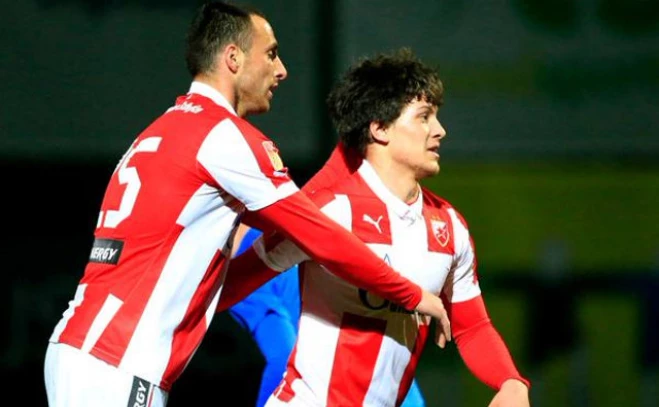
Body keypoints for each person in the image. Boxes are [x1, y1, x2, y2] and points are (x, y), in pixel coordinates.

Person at [42, 3, 451, 406]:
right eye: (271, 53)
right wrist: (413, 295)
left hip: (85, 349)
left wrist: (283, 248)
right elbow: (320, 233)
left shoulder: (163, 131)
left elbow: (234, 273)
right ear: (233, 58)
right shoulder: (225, 137)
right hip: (118, 360)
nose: (281, 69)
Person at [218, 48, 531, 407]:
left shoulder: (449, 227)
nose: (440, 131)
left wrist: (510, 381)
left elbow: (472, 326)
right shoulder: (328, 211)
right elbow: (227, 288)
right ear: (379, 128)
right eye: (424, 117)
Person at [229, 225, 427, 407]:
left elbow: (281, 357)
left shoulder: (242, 280)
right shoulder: (294, 235)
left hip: (343, 393)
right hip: (395, 385)